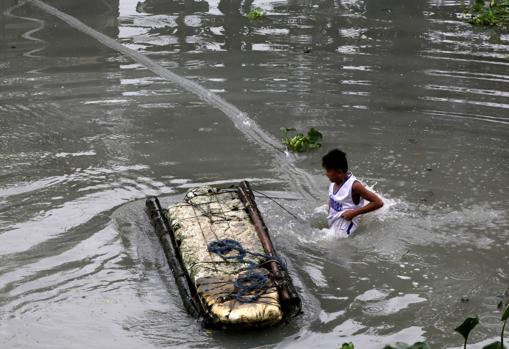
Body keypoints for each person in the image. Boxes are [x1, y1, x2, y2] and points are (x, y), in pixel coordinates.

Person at [322, 149, 383, 236]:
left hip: (345, 228)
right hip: (333, 222)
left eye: (328, 171)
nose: (326, 174)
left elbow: (378, 202)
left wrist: (354, 213)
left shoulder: (354, 186)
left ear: (339, 172)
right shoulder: (334, 181)